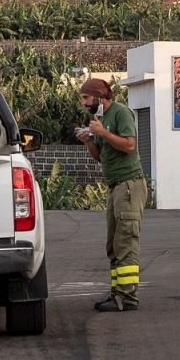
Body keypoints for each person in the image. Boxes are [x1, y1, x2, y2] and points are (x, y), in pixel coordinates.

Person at [75, 77, 146, 312]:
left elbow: (129, 146)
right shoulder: (99, 119)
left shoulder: (121, 113)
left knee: (125, 240)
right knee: (114, 244)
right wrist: (88, 141)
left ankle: (127, 298)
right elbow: (99, 156)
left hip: (128, 185)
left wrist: (103, 133)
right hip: (115, 186)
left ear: (99, 97)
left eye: (86, 97)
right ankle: (117, 293)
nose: (83, 102)